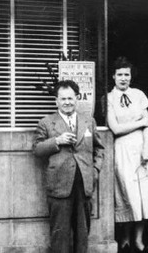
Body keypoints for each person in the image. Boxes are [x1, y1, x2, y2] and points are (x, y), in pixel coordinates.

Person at [33, 80, 105, 253]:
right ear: (56, 101)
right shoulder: (47, 122)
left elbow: (99, 149)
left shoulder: (89, 121)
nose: (67, 102)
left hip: (84, 184)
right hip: (59, 185)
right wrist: (57, 141)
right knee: (60, 235)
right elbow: (37, 149)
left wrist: (94, 171)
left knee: (82, 233)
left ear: (77, 99)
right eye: (63, 99)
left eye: (70, 98)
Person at [107, 57, 148, 253]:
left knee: (144, 196)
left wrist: (146, 147)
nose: (123, 78)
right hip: (123, 149)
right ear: (113, 76)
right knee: (128, 195)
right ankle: (124, 240)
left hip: (143, 148)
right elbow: (115, 128)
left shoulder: (139, 94)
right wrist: (140, 123)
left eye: (127, 74)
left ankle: (139, 241)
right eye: (120, 75)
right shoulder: (109, 98)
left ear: (131, 76)